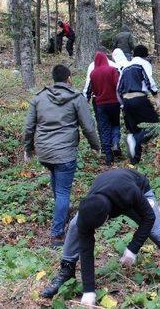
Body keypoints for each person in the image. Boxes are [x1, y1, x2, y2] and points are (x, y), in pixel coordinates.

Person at [40, 169, 160, 303]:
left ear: (107, 218)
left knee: (156, 231)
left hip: (138, 193)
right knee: (75, 225)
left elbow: (149, 218)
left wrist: (133, 248)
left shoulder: (129, 192)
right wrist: (89, 290)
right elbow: (86, 247)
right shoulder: (90, 204)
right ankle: (67, 270)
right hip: (106, 194)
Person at [23, 65, 100, 246]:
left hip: (44, 152)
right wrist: (96, 146)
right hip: (65, 152)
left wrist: (28, 149)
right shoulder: (76, 98)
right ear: (69, 78)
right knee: (63, 191)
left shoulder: (39, 98)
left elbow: (28, 127)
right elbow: (88, 126)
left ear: (53, 78)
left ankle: (62, 214)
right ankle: (57, 234)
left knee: (57, 183)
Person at [117, 45, 160, 164]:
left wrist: (122, 103)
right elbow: (149, 80)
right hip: (139, 98)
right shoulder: (143, 64)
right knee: (155, 125)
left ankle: (135, 161)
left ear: (133, 54)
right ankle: (134, 139)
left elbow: (118, 88)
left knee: (136, 129)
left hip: (126, 102)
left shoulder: (125, 67)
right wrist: (156, 97)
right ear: (145, 56)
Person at [89, 52, 122, 164]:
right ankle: (116, 142)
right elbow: (118, 86)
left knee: (104, 128)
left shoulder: (93, 74)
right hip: (114, 103)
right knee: (115, 124)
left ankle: (108, 156)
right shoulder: (112, 70)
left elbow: (93, 90)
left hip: (100, 105)